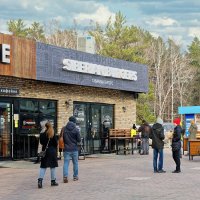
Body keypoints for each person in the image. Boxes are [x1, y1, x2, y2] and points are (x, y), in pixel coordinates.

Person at [37, 121, 59, 188]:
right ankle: (53, 181)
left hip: (45, 151)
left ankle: (40, 180)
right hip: (52, 151)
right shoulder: (52, 133)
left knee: (43, 166)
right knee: (52, 166)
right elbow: (56, 143)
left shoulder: (42, 133)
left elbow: (41, 142)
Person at [63, 116, 81, 183]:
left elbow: (61, 138)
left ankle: (65, 176)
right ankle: (75, 177)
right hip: (74, 149)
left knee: (66, 163)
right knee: (75, 163)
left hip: (66, 149)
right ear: (74, 121)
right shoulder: (76, 129)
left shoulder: (64, 129)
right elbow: (79, 140)